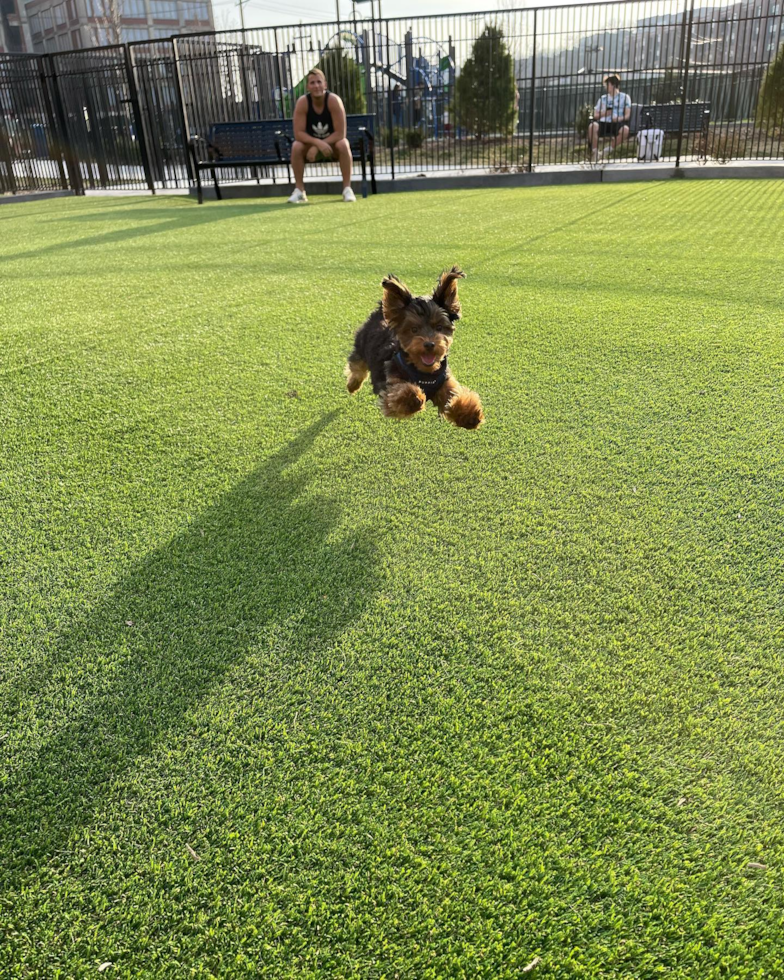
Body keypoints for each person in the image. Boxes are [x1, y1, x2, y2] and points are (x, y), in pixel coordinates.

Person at [288, 68, 355, 204]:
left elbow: (340, 133)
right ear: (307, 86)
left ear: (325, 84)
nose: (316, 86)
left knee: (343, 143)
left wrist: (320, 145)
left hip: (332, 147)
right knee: (296, 146)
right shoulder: (302, 102)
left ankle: (347, 189)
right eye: (312, 83)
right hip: (310, 149)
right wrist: (317, 144)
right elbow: (298, 133)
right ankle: (300, 191)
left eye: (319, 82)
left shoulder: (334, 101)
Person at [588, 73, 631, 163]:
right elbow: (595, 115)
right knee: (592, 126)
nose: (606, 87)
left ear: (614, 85)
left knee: (625, 130)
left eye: (607, 85)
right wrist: (604, 113)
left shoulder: (625, 97)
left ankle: (606, 151)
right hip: (603, 122)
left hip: (616, 122)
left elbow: (627, 115)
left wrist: (619, 118)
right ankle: (595, 153)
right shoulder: (603, 99)